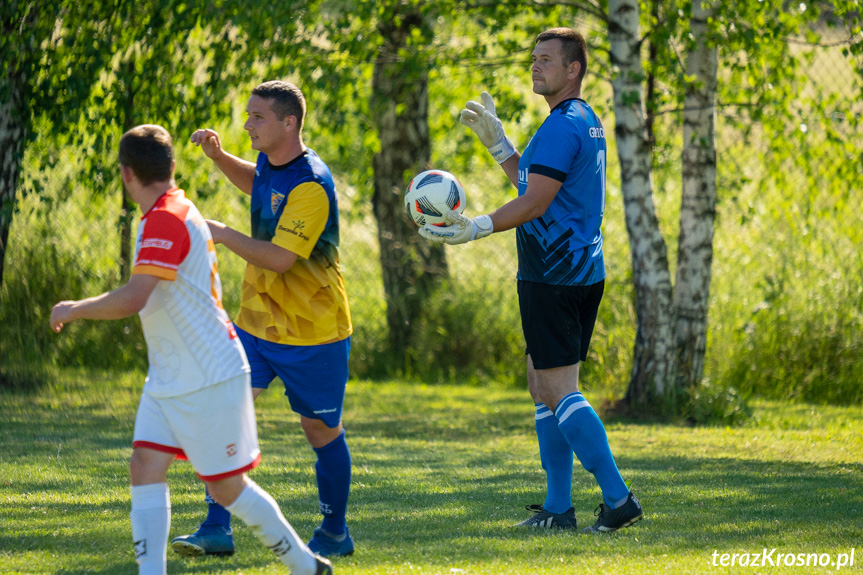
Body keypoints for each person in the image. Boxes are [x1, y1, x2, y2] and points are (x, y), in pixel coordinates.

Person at [49, 124, 333, 575]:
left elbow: (135, 296)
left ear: (125, 174)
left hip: (207, 375)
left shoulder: (166, 218)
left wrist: (74, 308)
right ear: (172, 167)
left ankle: (304, 565)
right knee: (144, 465)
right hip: (170, 375)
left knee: (226, 488)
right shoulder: (169, 210)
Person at [420, 28, 644, 533]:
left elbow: (535, 204)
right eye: (534, 58)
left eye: (547, 60)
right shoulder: (577, 120)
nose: (536, 66)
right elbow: (536, 184)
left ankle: (617, 498)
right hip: (575, 271)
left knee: (557, 388)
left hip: (555, 275)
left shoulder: (564, 125)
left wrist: (477, 226)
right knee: (541, 385)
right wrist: (501, 146)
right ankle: (558, 509)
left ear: (574, 70)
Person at [170, 80, 354, 558]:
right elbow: (261, 184)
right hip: (255, 323)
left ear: (288, 123)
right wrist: (219, 156)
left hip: (313, 332)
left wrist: (222, 233)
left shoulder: (312, 183)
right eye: (247, 116)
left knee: (319, 431)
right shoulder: (275, 165)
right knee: (224, 412)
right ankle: (216, 528)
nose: (247, 124)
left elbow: (279, 259)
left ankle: (335, 532)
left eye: (257, 118)